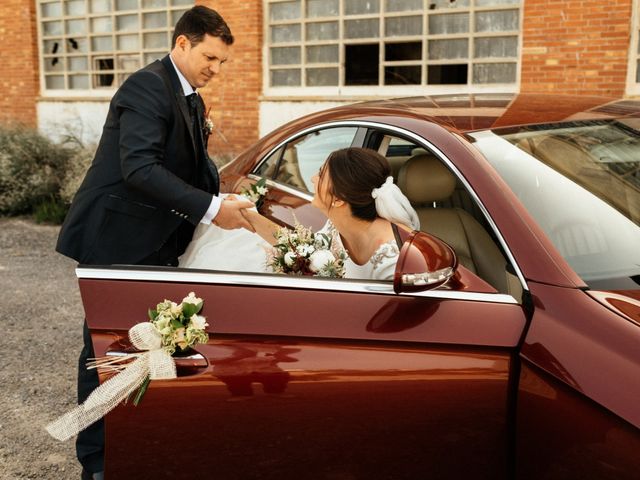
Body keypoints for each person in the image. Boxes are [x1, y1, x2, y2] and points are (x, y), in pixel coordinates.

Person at [54, 7, 252, 479]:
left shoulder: (188, 95)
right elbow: (139, 169)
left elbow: (189, 166)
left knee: (145, 349)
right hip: (118, 241)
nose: (215, 70)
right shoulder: (146, 87)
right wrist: (211, 210)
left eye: (223, 62)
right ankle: (97, 462)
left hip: (157, 242)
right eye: (209, 57)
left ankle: (136, 445)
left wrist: (221, 194)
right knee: (105, 353)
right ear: (182, 43)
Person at [180, 147, 420, 280]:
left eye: (321, 175)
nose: (313, 179)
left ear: (338, 200)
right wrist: (249, 217)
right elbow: (304, 247)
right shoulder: (341, 223)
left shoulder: (395, 257)